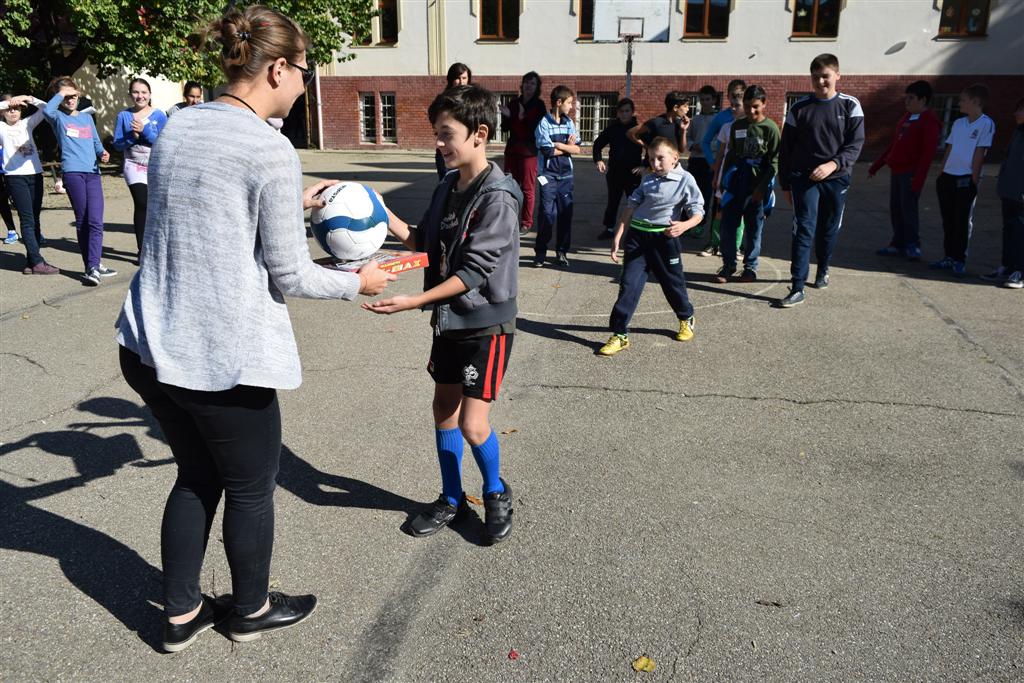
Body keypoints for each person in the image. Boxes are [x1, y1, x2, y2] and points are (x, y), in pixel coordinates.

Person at [115, 4, 394, 653]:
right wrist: (358, 282)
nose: (304, 84)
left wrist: (289, 198)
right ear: (276, 69)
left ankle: (181, 615)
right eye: (304, 71)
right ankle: (250, 609)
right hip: (218, 355)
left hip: (148, 342)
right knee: (248, 487)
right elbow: (291, 272)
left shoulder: (180, 124)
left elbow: (204, 202)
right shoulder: (270, 148)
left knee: (195, 474)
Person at [364, 84, 520, 545]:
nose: (438, 143)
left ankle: (495, 491)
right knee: (444, 411)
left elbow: (473, 272)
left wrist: (415, 301)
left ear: (479, 134)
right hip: (449, 321)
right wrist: (379, 212)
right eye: (437, 133)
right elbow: (423, 243)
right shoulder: (446, 187)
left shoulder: (498, 197)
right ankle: (452, 498)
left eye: (446, 133)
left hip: (486, 325)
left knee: (473, 423)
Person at [599, 137, 704, 357]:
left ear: (675, 158)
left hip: (664, 240)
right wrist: (618, 235)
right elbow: (631, 206)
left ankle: (686, 316)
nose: (655, 164)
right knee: (628, 285)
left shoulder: (685, 179)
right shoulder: (647, 179)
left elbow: (698, 212)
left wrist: (684, 225)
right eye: (651, 159)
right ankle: (620, 334)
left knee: (672, 285)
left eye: (660, 159)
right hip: (637, 238)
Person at [778, 54, 865, 307]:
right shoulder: (799, 108)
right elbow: (786, 149)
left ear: (837, 75)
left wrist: (832, 165)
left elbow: (855, 145)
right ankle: (797, 286)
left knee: (828, 230)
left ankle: (823, 268)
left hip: (836, 179)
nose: (820, 82)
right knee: (803, 229)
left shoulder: (850, 105)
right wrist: (785, 183)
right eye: (815, 77)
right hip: (804, 179)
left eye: (825, 76)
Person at [43, 77, 116, 286]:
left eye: (73, 95)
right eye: (66, 97)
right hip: (73, 173)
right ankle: (91, 267)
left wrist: (103, 153)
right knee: (83, 220)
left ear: (79, 94)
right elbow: (47, 110)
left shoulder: (86, 118)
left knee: (96, 221)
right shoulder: (57, 117)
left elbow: (95, 142)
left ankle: (95, 262)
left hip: (92, 173)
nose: (70, 99)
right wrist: (61, 93)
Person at [713, 85, 780, 284]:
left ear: (764, 104)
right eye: (748, 106)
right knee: (727, 227)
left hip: (757, 186)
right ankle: (728, 265)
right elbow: (731, 155)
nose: (751, 111)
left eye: (756, 106)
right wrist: (723, 179)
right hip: (736, 184)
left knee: (753, 230)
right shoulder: (737, 126)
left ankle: (750, 268)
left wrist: (762, 188)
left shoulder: (770, 128)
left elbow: (774, 162)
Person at [869, 80, 941, 261]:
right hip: (897, 171)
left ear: (923, 100)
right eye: (906, 97)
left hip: (911, 173)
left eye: (911, 98)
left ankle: (912, 245)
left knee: (908, 209)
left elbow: (927, 154)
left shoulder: (929, 121)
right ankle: (897, 243)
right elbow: (895, 145)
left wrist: (918, 179)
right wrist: (877, 165)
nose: (906, 101)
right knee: (896, 208)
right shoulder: (906, 118)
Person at [929, 84, 995, 277]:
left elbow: (979, 152)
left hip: (966, 178)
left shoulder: (986, 123)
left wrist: (974, 178)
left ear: (976, 102)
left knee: (962, 220)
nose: (959, 103)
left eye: (963, 100)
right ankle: (948, 256)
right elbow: (949, 147)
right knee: (948, 219)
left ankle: (959, 259)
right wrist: (942, 172)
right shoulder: (958, 123)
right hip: (948, 177)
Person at [0, 94, 59, 273]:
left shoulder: (27, 123)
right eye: (9, 109)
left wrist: (28, 98)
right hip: (15, 177)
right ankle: (38, 262)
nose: (13, 111)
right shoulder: (1, 127)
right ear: (2, 112)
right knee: (27, 219)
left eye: (16, 108)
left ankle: (31, 260)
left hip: (35, 175)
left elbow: (48, 109)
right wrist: (7, 102)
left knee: (35, 218)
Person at [112, 78, 168, 251]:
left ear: (150, 94)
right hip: (133, 165)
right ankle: (142, 250)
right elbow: (117, 145)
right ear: (130, 94)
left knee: (157, 207)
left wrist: (145, 132)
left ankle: (158, 247)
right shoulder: (123, 116)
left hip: (156, 166)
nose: (140, 96)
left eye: (144, 92)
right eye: (136, 92)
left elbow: (164, 143)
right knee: (142, 203)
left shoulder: (159, 115)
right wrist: (132, 137)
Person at [533, 85, 580, 268]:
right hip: (548, 176)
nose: (571, 107)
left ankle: (561, 252)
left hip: (566, 177)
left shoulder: (569, 123)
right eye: (569, 103)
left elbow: (577, 148)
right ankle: (540, 252)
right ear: (558, 102)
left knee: (565, 215)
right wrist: (567, 147)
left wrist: (559, 145)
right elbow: (547, 151)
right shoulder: (543, 123)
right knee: (547, 214)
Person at [699, 79, 746, 257]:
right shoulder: (722, 119)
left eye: (739, 96)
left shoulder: (750, 118)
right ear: (728, 96)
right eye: (732, 96)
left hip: (742, 171)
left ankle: (737, 245)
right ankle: (714, 243)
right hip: (724, 170)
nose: (735, 100)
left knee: (740, 210)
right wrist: (713, 164)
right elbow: (706, 142)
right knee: (718, 208)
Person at [984, 97, 1024, 289]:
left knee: (1020, 232)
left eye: (1021, 110)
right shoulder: (1018, 131)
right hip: (1009, 190)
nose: (1016, 113)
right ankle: (1007, 267)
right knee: (1009, 230)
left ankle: (1020, 271)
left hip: (1021, 193)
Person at [500, 71, 545, 235]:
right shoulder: (513, 103)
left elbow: (536, 129)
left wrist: (522, 117)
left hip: (528, 152)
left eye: (532, 83)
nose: (528, 86)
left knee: (527, 189)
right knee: (509, 186)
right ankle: (509, 219)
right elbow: (504, 129)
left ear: (537, 87)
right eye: (526, 82)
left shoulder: (539, 105)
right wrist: (506, 116)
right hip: (512, 151)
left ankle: (526, 223)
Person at [592, 98, 642, 239]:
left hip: (633, 173)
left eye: (627, 111)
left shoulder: (639, 129)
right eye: (621, 111)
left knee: (635, 203)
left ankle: (636, 231)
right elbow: (597, 144)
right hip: (615, 172)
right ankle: (609, 229)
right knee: (613, 202)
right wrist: (598, 160)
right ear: (618, 113)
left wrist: (645, 165)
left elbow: (650, 147)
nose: (624, 114)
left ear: (632, 112)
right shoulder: (612, 129)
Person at [685, 85, 717, 239]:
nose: (705, 102)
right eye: (702, 99)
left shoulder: (718, 119)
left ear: (714, 100)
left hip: (709, 161)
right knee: (690, 192)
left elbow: (720, 141)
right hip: (695, 160)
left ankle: (700, 224)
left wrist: (705, 146)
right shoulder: (695, 119)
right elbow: (688, 137)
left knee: (705, 194)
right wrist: (692, 145)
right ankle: (687, 222)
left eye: (708, 99)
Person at [435, 63, 471, 179]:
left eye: (464, 78)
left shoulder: (473, 99)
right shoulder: (444, 99)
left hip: (465, 146)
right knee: (446, 181)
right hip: (447, 146)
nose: (461, 82)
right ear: (451, 79)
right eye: (458, 78)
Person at [627, 91, 690, 155]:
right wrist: (647, 147)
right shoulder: (656, 122)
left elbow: (682, 150)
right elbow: (630, 133)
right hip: (654, 161)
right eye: (685, 106)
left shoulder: (679, 124)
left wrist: (683, 130)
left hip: (670, 161)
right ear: (675, 108)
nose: (688, 109)